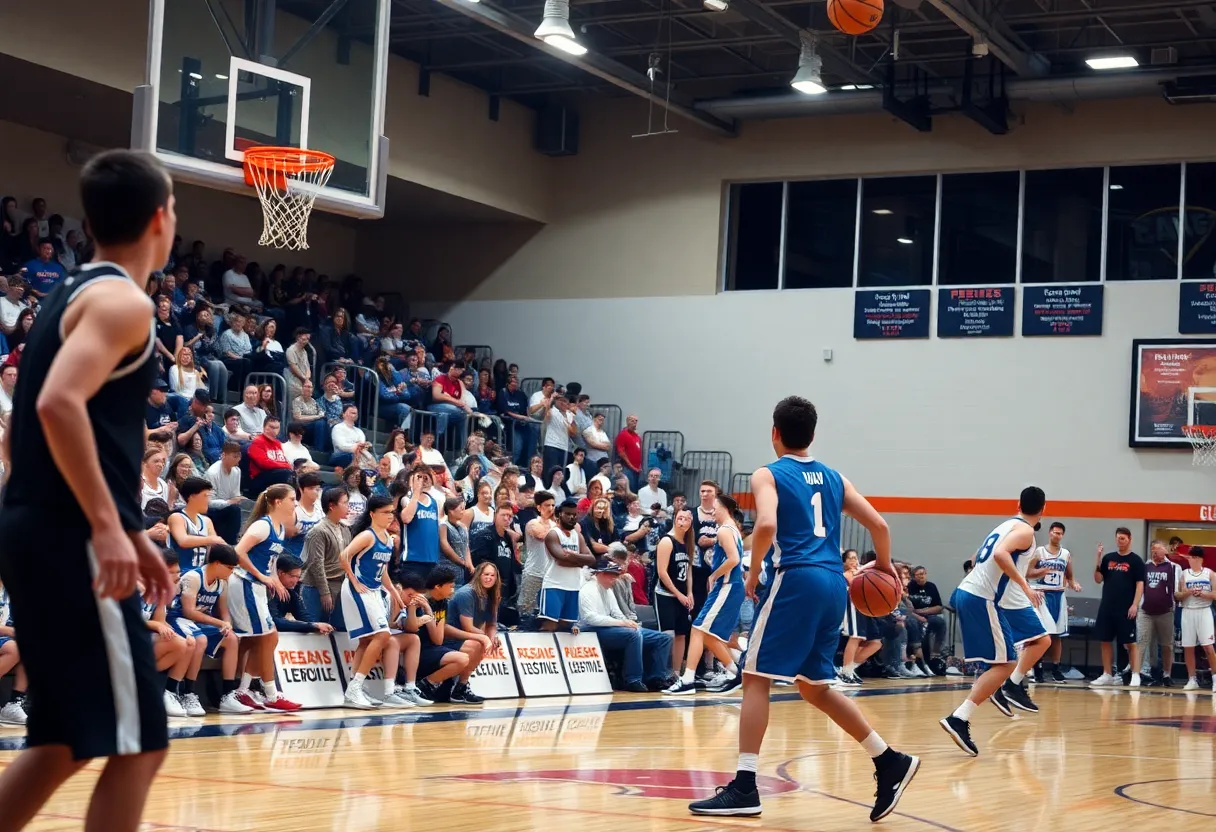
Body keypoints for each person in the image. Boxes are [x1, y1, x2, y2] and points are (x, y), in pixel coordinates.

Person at [0, 150, 179, 832]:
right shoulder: (123, 302)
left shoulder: (69, 294)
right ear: (160, 219)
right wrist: (105, 526)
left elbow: (19, 432)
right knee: (140, 742)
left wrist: (130, 529)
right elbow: (56, 406)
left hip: (37, 526)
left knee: (60, 740)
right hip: (68, 534)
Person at [690, 397, 917, 823]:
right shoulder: (834, 477)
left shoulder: (768, 474)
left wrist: (753, 572)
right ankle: (889, 760)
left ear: (774, 433)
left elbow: (768, 525)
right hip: (835, 584)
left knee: (754, 677)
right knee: (814, 686)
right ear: (811, 435)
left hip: (796, 578)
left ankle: (745, 785)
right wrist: (885, 568)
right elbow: (880, 525)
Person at [940, 487, 1051, 755]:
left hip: (969, 592)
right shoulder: (1026, 532)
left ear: (1018, 504)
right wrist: (1025, 586)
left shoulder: (1006, 524)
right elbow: (1001, 555)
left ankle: (969, 711)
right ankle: (960, 717)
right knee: (1007, 664)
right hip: (981, 598)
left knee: (1001, 663)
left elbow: (979, 555)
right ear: (1043, 509)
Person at [228, 483, 302, 711]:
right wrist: (262, 576)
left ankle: (242, 689)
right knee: (269, 637)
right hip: (245, 583)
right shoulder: (263, 526)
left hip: (258, 585)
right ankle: (270, 693)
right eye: (292, 499)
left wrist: (275, 580)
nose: (295, 503)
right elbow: (237, 552)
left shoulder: (280, 528)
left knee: (256, 639)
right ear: (278, 502)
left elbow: (268, 562)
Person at [666, 495, 747, 695]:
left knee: (697, 628)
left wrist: (713, 575)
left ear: (725, 509)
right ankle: (734, 671)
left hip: (726, 585)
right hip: (731, 586)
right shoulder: (733, 529)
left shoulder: (724, 531)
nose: (712, 512)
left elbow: (734, 559)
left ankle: (688, 679)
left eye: (715, 508)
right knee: (708, 634)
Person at [165, 544, 250, 714]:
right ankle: (188, 693)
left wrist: (227, 625)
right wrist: (219, 623)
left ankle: (227, 695)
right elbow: (189, 612)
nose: (232, 572)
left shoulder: (222, 583)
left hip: (199, 622)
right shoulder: (194, 577)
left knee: (232, 638)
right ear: (217, 563)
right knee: (200, 640)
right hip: (178, 618)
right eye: (230, 568)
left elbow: (224, 612)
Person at [339, 495, 405, 709]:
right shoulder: (367, 536)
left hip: (374, 590)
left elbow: (382, 569)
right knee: (383, 635)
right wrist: (354, 580)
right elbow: (343, 556)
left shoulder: (387, 537)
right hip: (358, 589)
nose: (390, 516)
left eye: (391, 512)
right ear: (372, 514)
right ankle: (355, 687)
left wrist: (393, 591)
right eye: (386, 512)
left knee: (366, 641)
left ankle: (353, 688)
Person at [579, 560, 673, 691]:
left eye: (616, 575)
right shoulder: (588, 589)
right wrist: (622, 623)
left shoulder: (607, 590)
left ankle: (656, 678)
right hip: (591, 630)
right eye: (611, 574)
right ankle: (633, 679)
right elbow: (590, 618)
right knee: (633, 635)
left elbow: (617, 613)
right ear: (599, 573)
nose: (615, 578)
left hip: (609, 627)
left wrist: (628, 623)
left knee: (663, 638)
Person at [406, 565, 486, 705]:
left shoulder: (443, 603)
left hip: (434, 648)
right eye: (450, 586)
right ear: (438, 586)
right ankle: (424, 685)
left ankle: (433, 685)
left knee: (468, 653)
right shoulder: (419, 602)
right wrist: (428, 610)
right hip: (418, 651)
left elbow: (438, 639)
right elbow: (412, 628)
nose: (453, 590)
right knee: (461, 659)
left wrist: (430, 613)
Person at [1089, 527, 1146, 687]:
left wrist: (1135, 605)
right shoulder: (1108, 558)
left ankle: (1135, 674)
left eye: (1123, 538)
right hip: (1107, 606)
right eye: (1118, 538)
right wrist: (1098, 559)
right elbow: (1098, 579)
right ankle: (1107, 673)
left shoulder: (1136, 561)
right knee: (1105, 640)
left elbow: (1140, 585)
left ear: (1129, 539)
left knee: (1130, 642)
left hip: (1126, 608)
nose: (1119, 541)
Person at [1026, 521, 1080, 683]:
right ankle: (1038, 669)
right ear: (1050, 533)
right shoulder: (1039, 552)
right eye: (1055, 532)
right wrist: (1042, 571)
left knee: (1057, 636)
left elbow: (1069, 575)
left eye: (1060, 533)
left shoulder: (1065, 554)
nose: (1057, 535)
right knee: (1040, 635)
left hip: (1058, 595)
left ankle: (1056, 669)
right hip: (1041, 595)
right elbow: (1027, 572)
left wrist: (1074, 583)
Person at [538, 500, 597, 632]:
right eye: (568, 514)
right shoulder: (553, 534)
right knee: (550, 625)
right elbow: (560, 560)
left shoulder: (577, 535)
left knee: (566, 625)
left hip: (573, 586)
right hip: (554, 585)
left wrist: (571, 555)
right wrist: (580, 561)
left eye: (575, 514)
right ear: (559, 514)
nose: (572, 517)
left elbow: (592, 559)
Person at [653, 507, 695, 679]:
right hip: (665, 595)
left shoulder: (688, 543)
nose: (683, 521)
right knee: (668, 635)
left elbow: (689, 569)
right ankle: (663, 673)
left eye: (686, 518)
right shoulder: (666, 541)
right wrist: (679, 594)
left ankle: (676, 673)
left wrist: (690, 592)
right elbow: (662, 572)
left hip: (683, 596)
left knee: (681, 634)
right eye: (680, 517)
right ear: (674, 519)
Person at [837, 549, 884, 688]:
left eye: (855, 558)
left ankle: (848, 669)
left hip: (864, 609)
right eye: (850, 558)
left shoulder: (861, 573)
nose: (853, 561)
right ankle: (846, 671)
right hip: (851, 608)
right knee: (855, 637)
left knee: (876, 643)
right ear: (844, 562)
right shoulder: (845, 575)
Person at [1134, 539, 1178, 686]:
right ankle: (1137, 674)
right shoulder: (1145, 566)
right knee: (1141, 642)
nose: (1154, 552)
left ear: (1165, 551)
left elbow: (1176, 590)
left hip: (1166, 612)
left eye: (1157, 549)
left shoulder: (1173, 567)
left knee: (1166, 645)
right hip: (1146, 611)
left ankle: (1166, 674)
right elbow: (1140, 587)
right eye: (1152, 549)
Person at [1176, 546, 1215, 692]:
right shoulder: (1184, 574)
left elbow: (1215, 594)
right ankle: (1192, 679)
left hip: (1204, 611)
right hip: (1188, 611)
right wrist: (1187, 593)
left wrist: (1203, 594)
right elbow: (1178, 595)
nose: (1190, 560)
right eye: (1189, 557)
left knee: (1208, 647)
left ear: (1199, 559)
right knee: (1188, 647)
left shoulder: (1210, 574)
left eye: (1193, 557)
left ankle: (1215, 678)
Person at [166, 477, 225, 570]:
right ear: (192, 496)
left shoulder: (207, 521)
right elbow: (183, 541)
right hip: (180, 571)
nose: (208, 500)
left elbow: (216, 547)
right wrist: (211, 539)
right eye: (205, 496)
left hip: (200, 572)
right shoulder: (177, 517)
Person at [398, 465, 442, 578]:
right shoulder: (407, 499)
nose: (422, 480)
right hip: (413, 559)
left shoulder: (434, 502)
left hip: (432, 560)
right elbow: (406, 518)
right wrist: (416, 491)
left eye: (425, 477)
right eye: (418, 477)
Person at [519, 491, 556, 619]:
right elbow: (542, 536)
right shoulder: (532, 523)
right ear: (539, 507)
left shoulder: (556, 526)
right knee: (526, 611)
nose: (550, 508)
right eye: (547, 505)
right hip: (533, 573)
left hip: (550, 575)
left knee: (547, 613)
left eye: (553, 505)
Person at [906, 566, 947, 667]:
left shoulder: (931, 586)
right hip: (913, 616)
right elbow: (908, 608)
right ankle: (921, 659)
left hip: (928, 615)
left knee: (940, 622)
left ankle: (936, 654)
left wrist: (924, 611)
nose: (922, 577)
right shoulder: (909, 587)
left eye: (924, 574)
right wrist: (917, 614)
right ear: (913, 576)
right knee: (922, 627)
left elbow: (939, 606)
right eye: (919, 575)